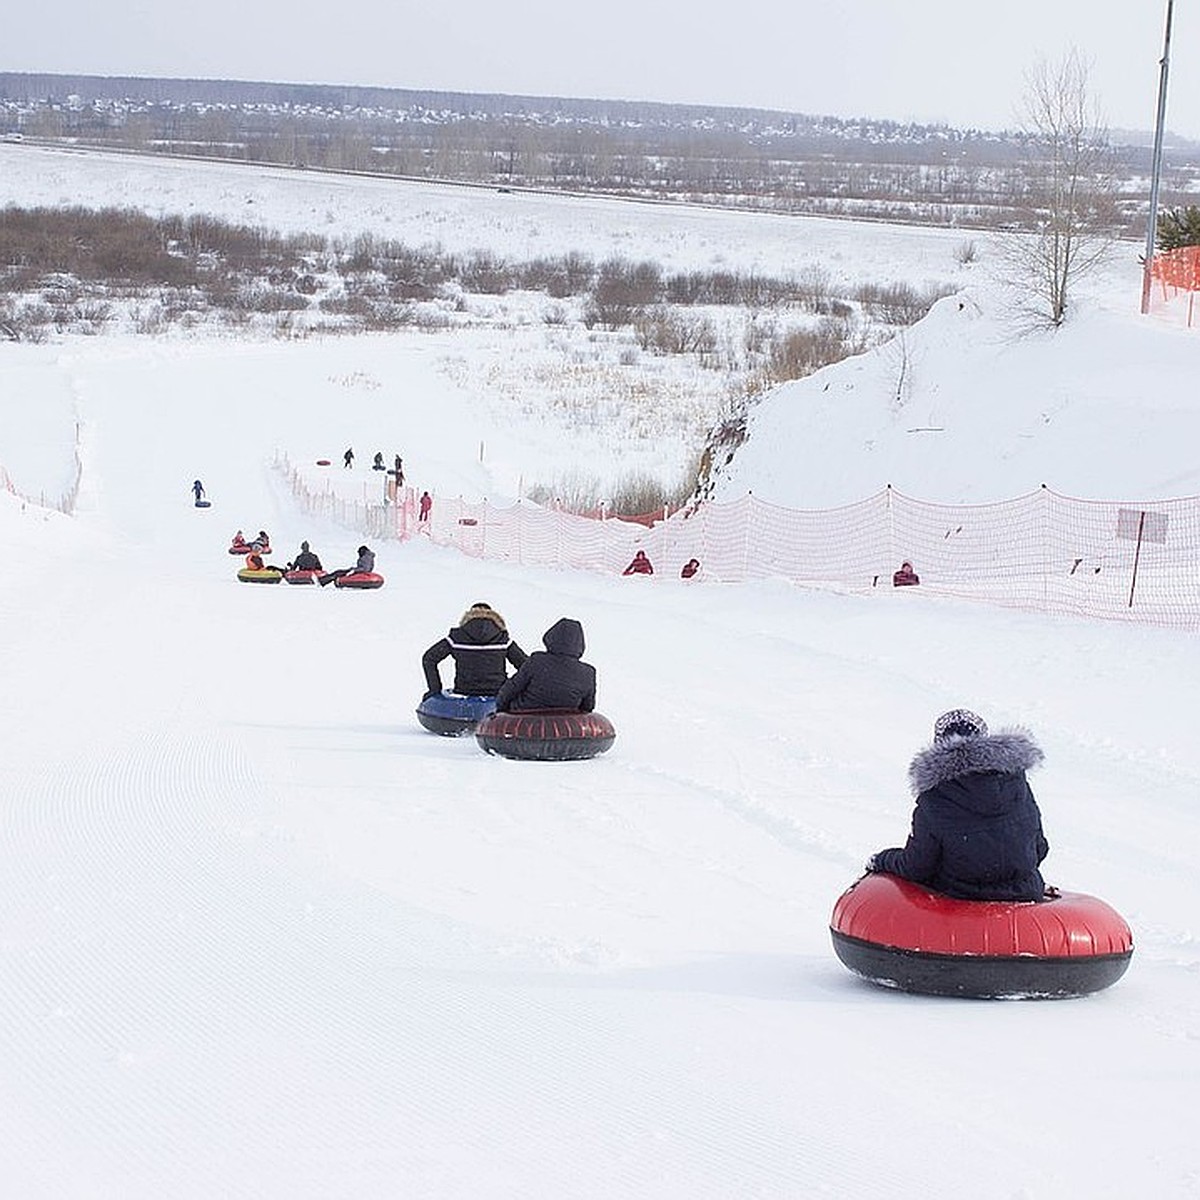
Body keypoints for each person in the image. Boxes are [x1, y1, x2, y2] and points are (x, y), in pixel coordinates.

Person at [866, 709, 1049, 902]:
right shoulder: (1017, 785)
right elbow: (1040, 847)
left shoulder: (935, 799)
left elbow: (918, 867)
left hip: (962, 901)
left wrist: (883, 860)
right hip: (1025, 893)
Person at [422, 602, 529, 699]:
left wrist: (434, 689)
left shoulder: (457, 637)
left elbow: (429, 658)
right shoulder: (502, 639)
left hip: (464, 691)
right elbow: (526, 665)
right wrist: (515, 688)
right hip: (497, 692)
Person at [496, 618, 596, 714]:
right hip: (563, 726)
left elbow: (510, 690)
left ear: (551, 638)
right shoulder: (588, 673)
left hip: (525, 721)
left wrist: (502, 711)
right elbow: (587, 707)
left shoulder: (536, 661)